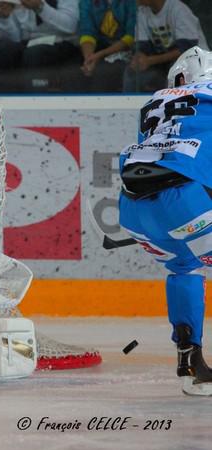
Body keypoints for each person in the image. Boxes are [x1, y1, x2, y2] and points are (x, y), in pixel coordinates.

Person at [118, 46, 212, 396]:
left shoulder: (152, 103)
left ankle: (192, 364)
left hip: (133, 209)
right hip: (185, 202)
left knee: (185, 269)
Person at [0, 0, 81, 92]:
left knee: (34, 54)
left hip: (60, 42)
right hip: (28, 43)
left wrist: (40, 7)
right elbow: (13, 39)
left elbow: (70, 27)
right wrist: (5, 18)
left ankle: (33, 103)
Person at [122, 0, 207, 92]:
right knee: (132, 72)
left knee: (176, 71)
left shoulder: (178, 9)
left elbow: (187, 49)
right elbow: (142, 46)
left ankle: (173, 102)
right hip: (162, 63)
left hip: (196, 62)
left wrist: (150, 60)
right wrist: (139, 58)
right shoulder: (142, 11)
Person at [77, 0, 136, 92]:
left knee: (103, 73)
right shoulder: (86, 2)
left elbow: (131, 36)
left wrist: (101, 54)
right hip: (98, 49)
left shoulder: (131, 2)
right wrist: (88, 59)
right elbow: (87, 32)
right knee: (74, 73)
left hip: (125, 51)